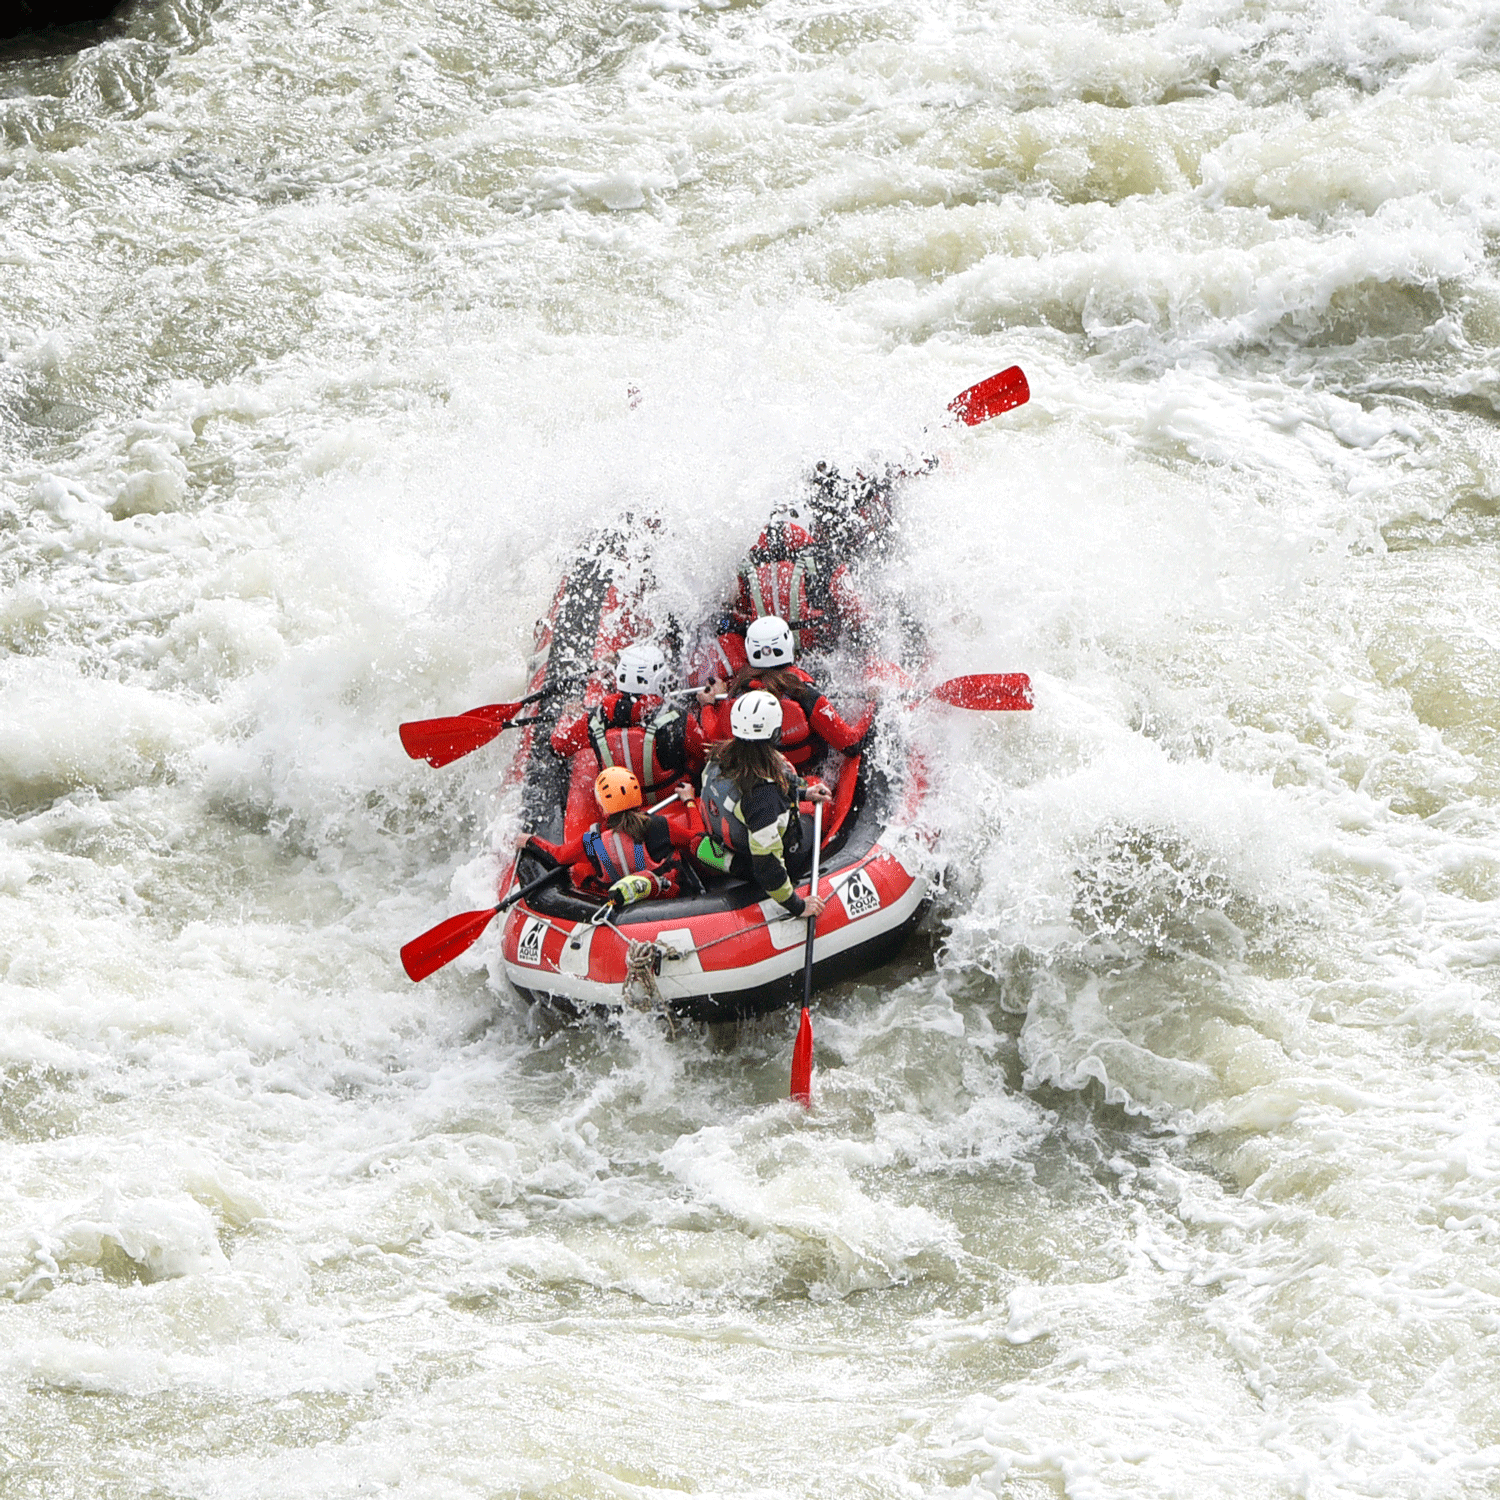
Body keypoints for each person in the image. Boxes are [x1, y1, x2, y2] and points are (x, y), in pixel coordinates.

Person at [698, 690, 832, 920]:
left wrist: (802, 793)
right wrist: (798, 906)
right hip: (757, 862)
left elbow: (753, 804)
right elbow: (767, 864)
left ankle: (732, 863)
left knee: (797, 805)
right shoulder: (762, 795)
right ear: (776, 733)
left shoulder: (719, 756)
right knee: (811, 823)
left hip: (729, 846)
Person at [700, 616, 872, 767]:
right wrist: (872, 706)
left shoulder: (737, 695)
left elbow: (714, 742)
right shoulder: (805, 694)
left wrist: (708, 706)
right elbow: (851, 744)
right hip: (805, 775)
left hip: (757, 778)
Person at [550, 641, 712, 794]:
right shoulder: (679, 719)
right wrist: (708, 707)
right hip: (671, 797)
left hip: (621, 804)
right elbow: (707, 754)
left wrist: (567, 716)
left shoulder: (595, 718)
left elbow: (558, 747)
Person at [523, 768, 696, 908]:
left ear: (601, 806)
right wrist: (689, 801)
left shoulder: (591, 842)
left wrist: (529, 840)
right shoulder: (661, 826)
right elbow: (698, 839)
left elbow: (558, 856)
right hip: (669, 901)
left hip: (620, 909)